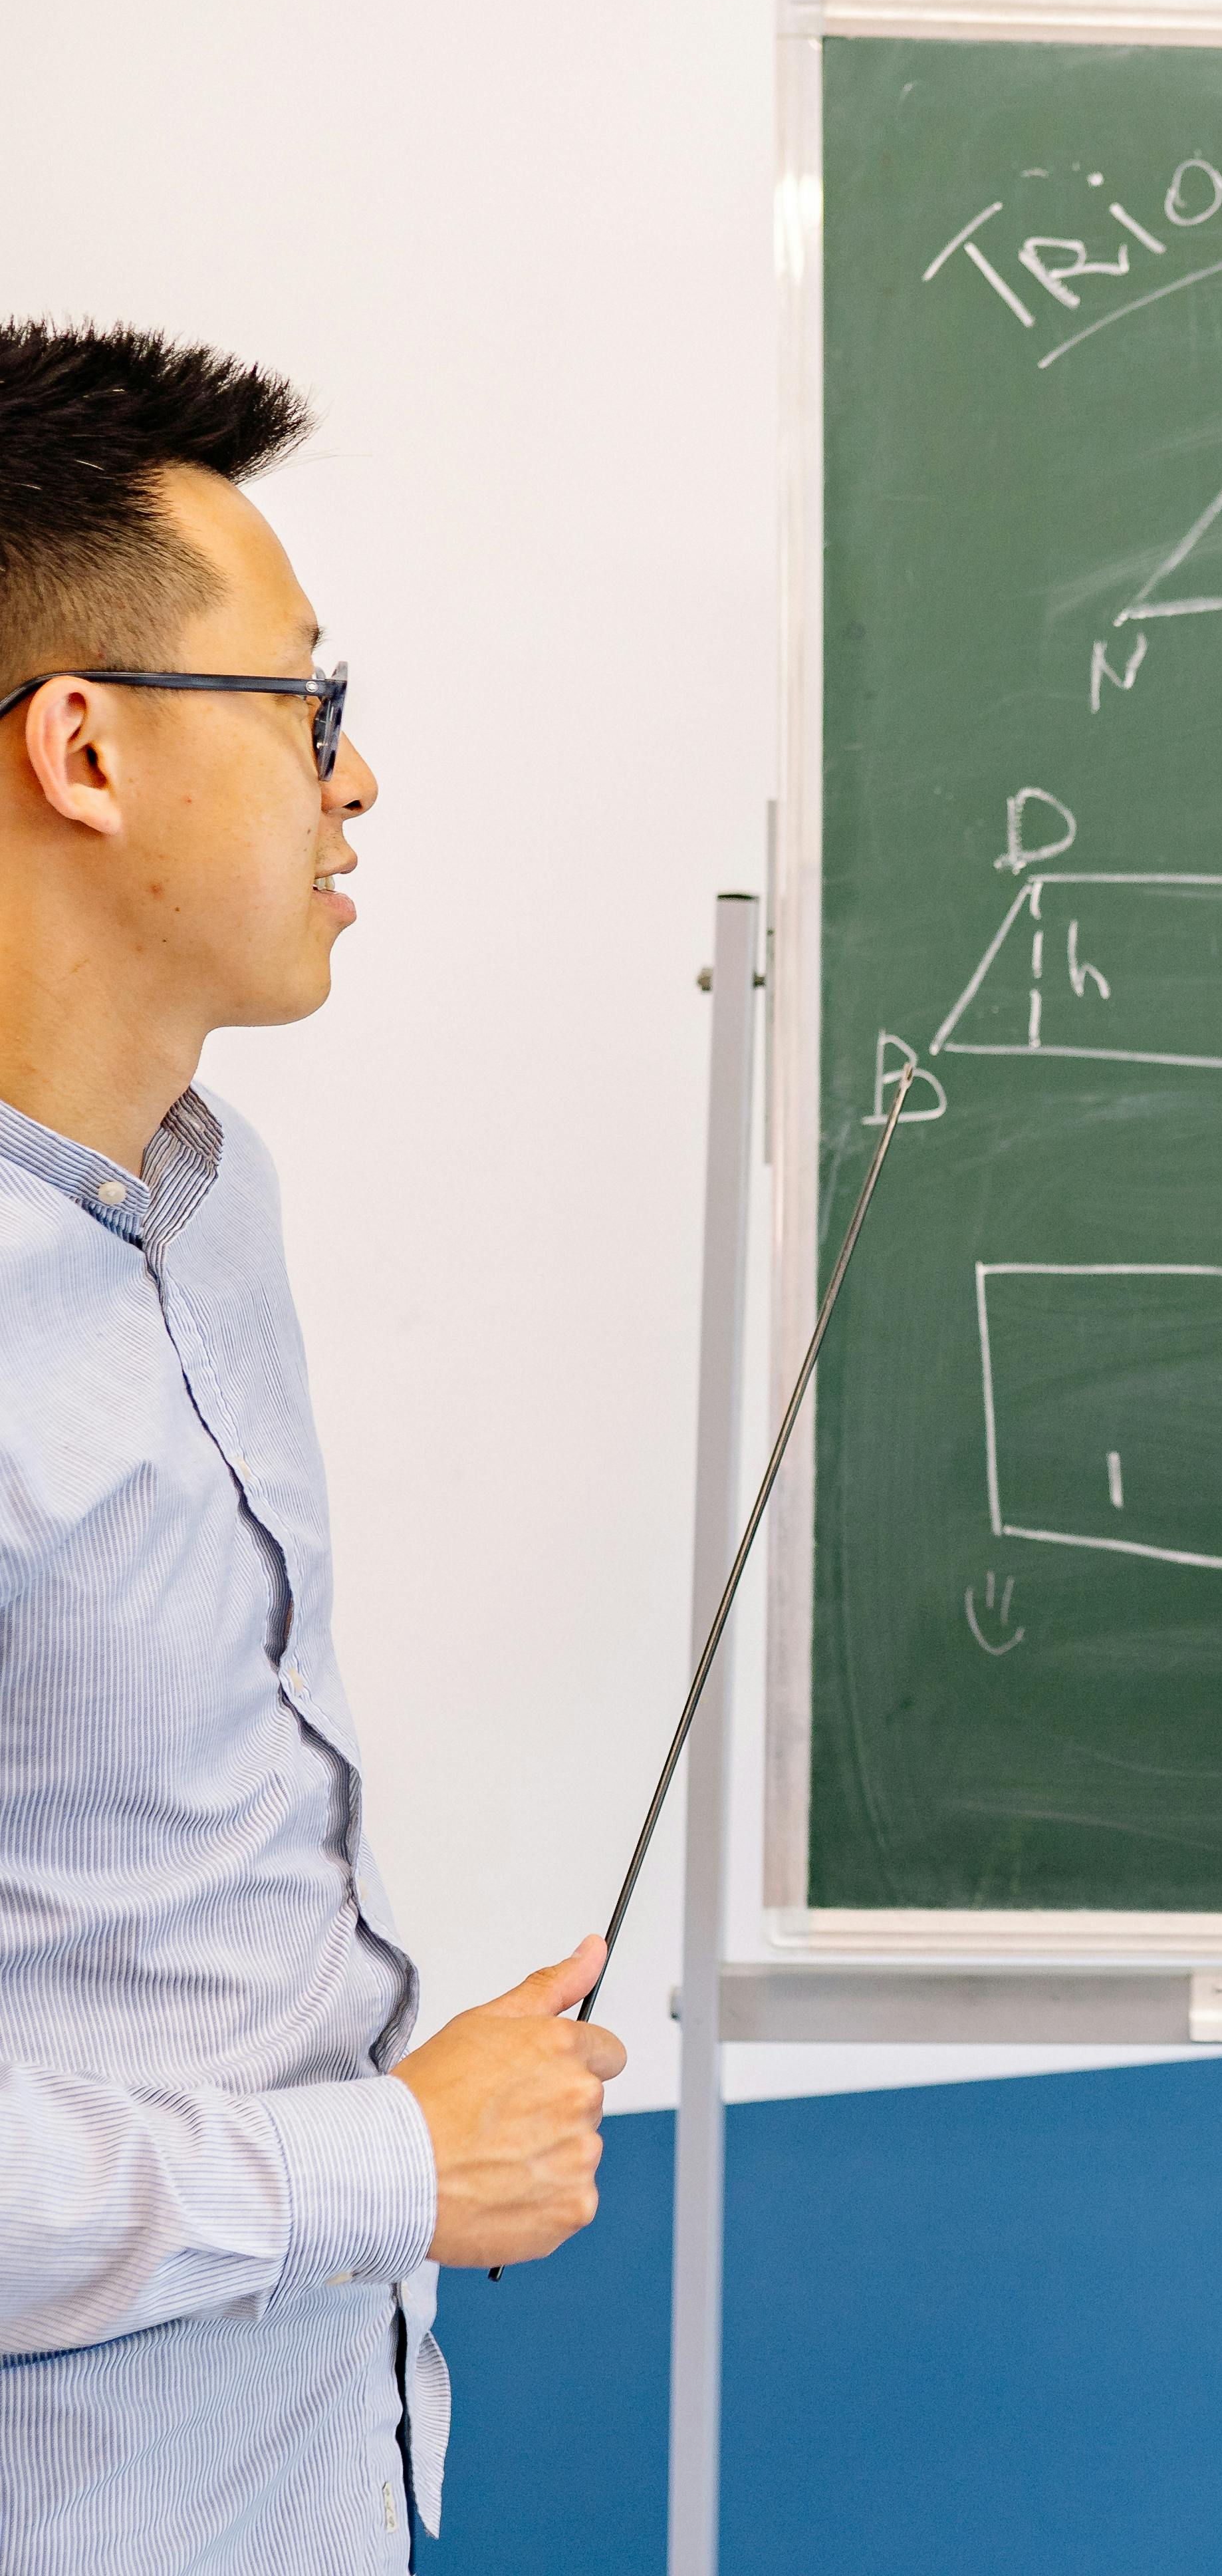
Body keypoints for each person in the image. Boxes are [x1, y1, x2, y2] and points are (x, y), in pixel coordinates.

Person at [0, 323, 627, 2570]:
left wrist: (406, 2107)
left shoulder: (202, 1195)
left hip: (306, 2477)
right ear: (83, 747)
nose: (355, 786)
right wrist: (389, 2162)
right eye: (306, 709)